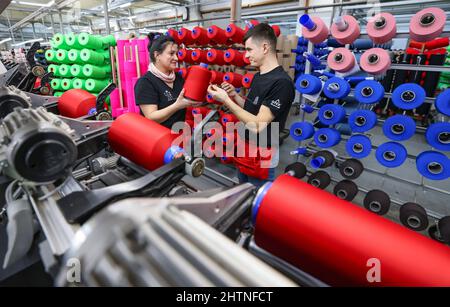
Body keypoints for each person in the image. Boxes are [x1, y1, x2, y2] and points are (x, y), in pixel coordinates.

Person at [207, 23, 295, 188]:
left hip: (261, 153)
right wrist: (234, 96)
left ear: (264, 47)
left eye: (249, 50)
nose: (246, 56)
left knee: (257, 199)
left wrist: (226, 100)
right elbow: (251, 108)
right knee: (242, 191)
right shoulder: (258, 77)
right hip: (245, 146)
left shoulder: (281, 83)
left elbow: (257, 125)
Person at [134, 33, 200, 129]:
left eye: (176, 54)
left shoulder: (178, 78)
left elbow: (186, 100)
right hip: (157, 139)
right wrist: (176, 106)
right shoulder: (146, 82)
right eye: (171, 53)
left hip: (178, 135)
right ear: (157, 55)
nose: (176, 58)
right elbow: (151, 117)